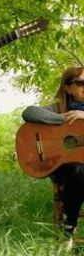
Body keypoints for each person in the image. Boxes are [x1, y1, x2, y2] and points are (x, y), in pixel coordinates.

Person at [22, 66, 84, 244]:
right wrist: (66, 119)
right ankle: (68, 231)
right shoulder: (58, 108)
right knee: (78, 169)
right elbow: (29, 112)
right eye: (81, 83)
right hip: (62, 168)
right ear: (67, 88)